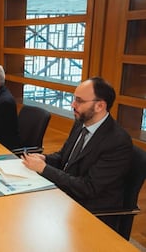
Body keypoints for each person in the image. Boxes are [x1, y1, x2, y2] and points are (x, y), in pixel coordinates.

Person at [21, 77, 132, 230]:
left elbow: (89, 188)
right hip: (66, 195)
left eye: (79, 101)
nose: (73, 104)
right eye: (74, 99)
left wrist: (44, 168)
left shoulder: (117, 141)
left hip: (91, 211)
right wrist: (45, 158)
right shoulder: (81, 123)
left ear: (100, 105)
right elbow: (63, 158)